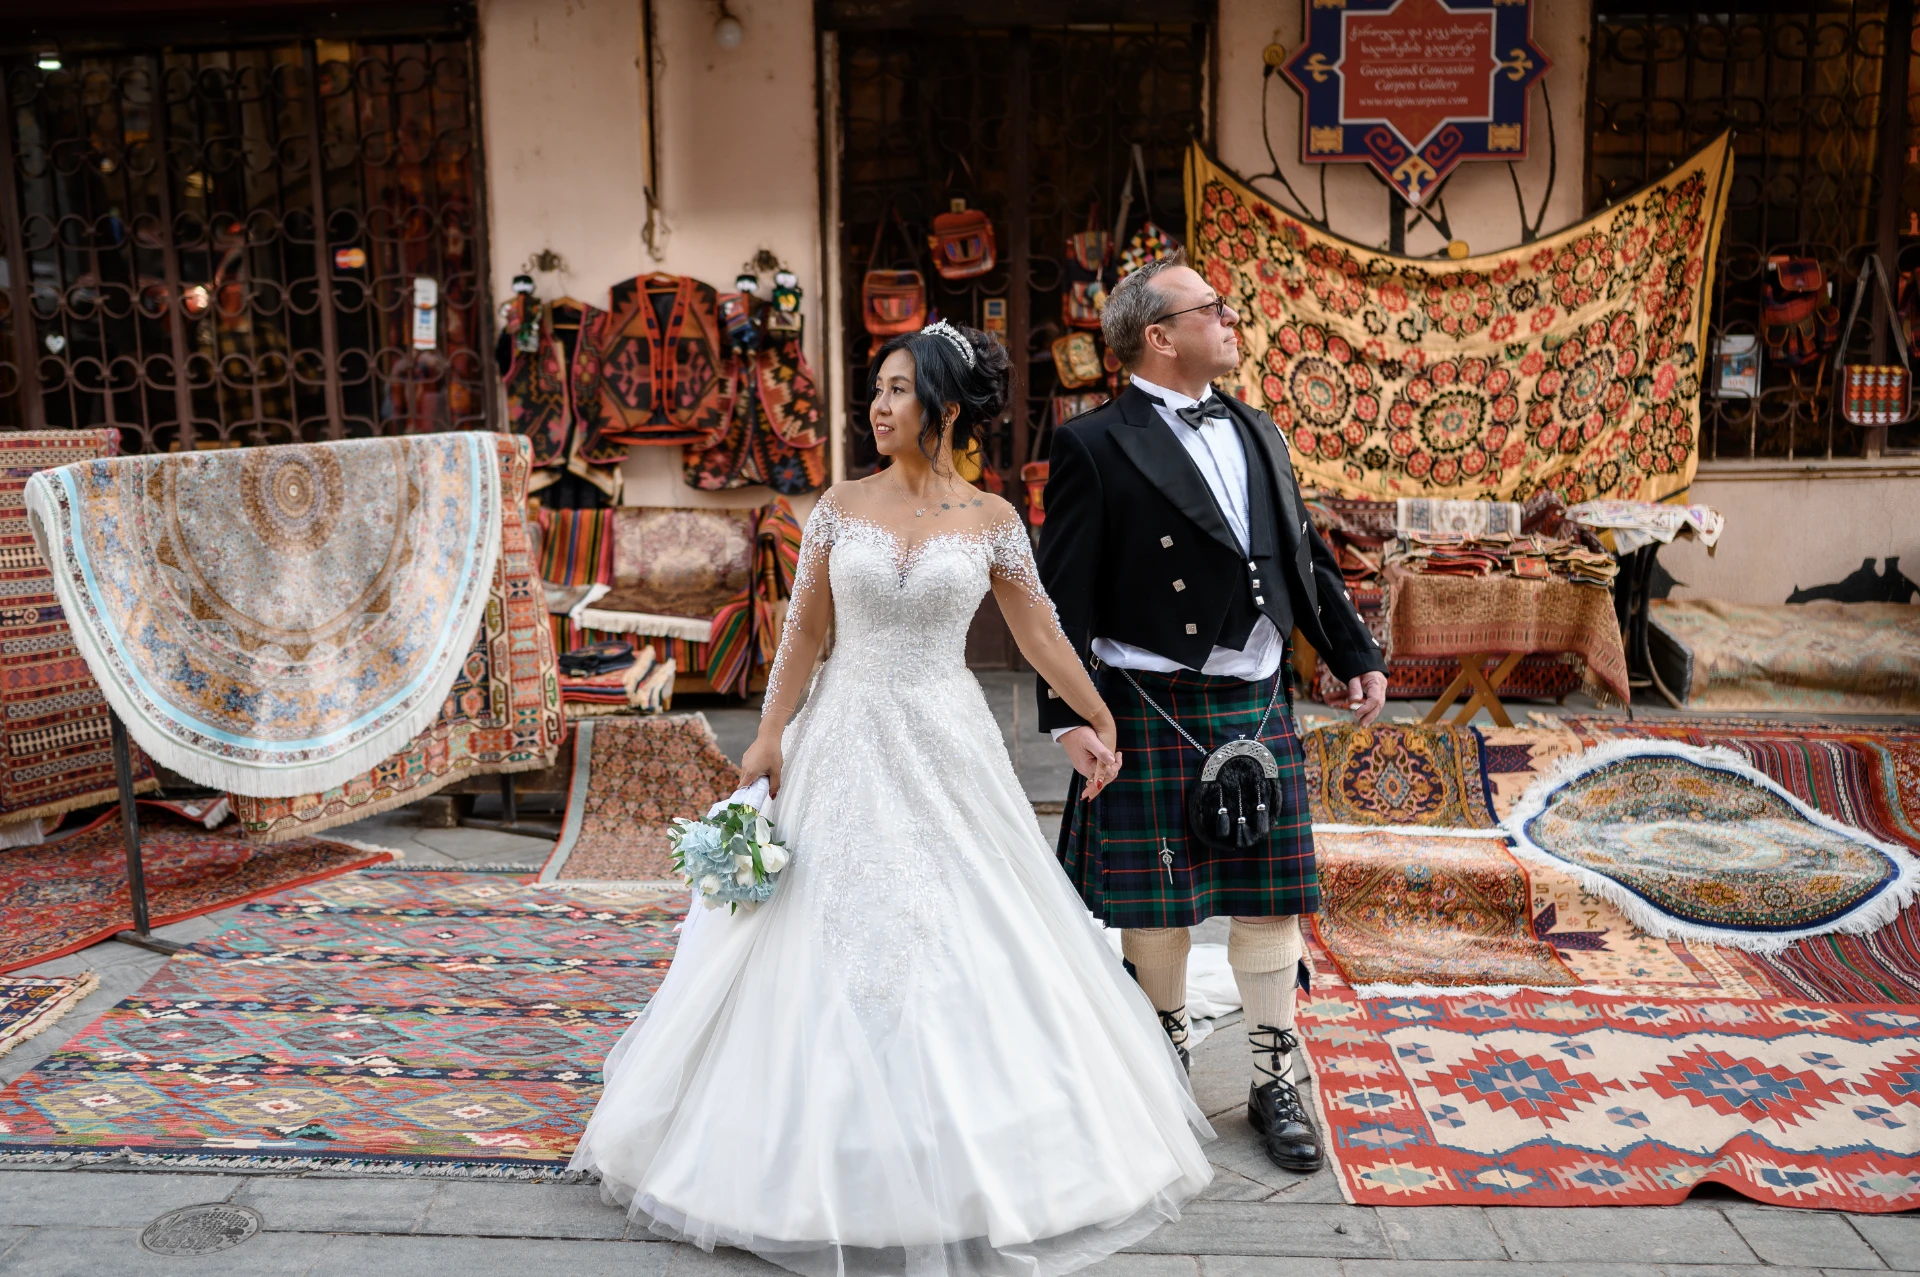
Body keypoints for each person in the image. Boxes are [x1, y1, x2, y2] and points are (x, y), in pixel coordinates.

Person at [571, 320, 1213, 1277]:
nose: (878, 405)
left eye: (899, 389)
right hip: (845, 730)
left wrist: (1099, 715)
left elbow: (1038, 630)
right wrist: (771, 731)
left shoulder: (993, 519)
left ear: (944, 407)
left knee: (967, 923)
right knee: (822, 930)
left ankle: (985, 1151)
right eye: (875, 388)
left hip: (946, 734)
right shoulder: (838, 505)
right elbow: (803, 634)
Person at [1036, 252, 1388, 1174]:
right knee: (1162, 904)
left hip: (1258, 691)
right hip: (1153, 696)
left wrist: (1353, 651)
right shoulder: (1093, 443)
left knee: (1270, 897)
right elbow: (1058, 593)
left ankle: (1275, 1073)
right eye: (1214, 309)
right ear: (1160, 335)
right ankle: (1164, 1073)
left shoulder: (1256, 426)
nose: (1233, 320)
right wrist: (1069, 712)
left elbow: (1302, 553)